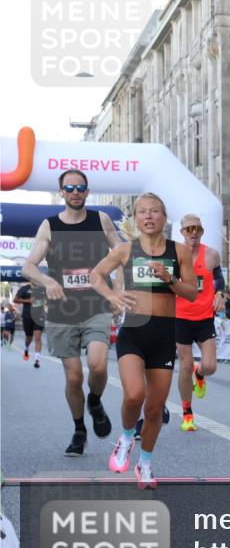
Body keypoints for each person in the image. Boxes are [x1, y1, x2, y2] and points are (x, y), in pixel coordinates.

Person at [91, 193, 198, 489]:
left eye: (154, 211)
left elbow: (191, 293)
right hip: (134, 332)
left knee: (154, 410)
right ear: (136, 219)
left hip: (164, 335)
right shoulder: (126, 250)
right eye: (142, 212)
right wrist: (113, 295)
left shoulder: (179, 251)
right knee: (134, 395)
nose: (148, 216)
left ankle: (145, 464)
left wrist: (169, 278)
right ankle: (126, 437)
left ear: (164, 217)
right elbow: (96, 275)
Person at [21, 169, 121, 456]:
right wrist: (48, 281)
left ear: (87, 191)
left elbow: (122, 255)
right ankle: (79, 429)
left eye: (80, 187)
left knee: (98, 366)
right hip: (63, 311)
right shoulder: (50, 226)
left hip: (96, 306)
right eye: (69, 188)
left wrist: (116, 291)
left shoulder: (101, 220)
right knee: (74, 377)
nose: (75, 192)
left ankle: (95, 401)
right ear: (61, 192)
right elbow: (28, 266)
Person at [174, 213, 226, 433]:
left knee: (210, 366)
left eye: (197, 228)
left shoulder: (211, 255)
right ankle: (187, 412)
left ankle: (200, 374)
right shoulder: (175, 255)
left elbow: (219, 278)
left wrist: (220, 294)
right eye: (189, 229)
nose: (193, 232)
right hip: (180, 317)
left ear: (202, 231)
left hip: (204, 317)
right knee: (185, 365)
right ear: (182, 232)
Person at [14, 282, 46, 368]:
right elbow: (15, 300)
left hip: (39, 316)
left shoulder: (43, 288)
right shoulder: (24, 289)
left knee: (38, 338)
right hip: (27, 316)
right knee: (29, 337)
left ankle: (37, 360)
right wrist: (28, 301)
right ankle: (26, 348)